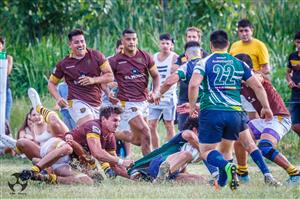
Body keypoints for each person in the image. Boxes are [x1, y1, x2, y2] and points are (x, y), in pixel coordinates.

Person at [188, 30, 279, 190]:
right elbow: (257, 85)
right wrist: (266, 107)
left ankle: (227, 167)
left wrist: (192, 106)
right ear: (228, 44)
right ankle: (264, 175)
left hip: (212, 111)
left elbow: (194, 85)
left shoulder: (204, 62)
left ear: (210, 45)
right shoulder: (239, 63)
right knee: (247, 144)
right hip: (235, 113)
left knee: (206, 151)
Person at [234, 53, 300, 185]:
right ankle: (243, 173)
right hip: (264, 120)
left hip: (280, 118)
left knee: (264, 146)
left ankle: (295, 173)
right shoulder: (240, 87)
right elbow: (252, 115)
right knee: (240, 135)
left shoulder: (256, 76)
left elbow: (258, 79)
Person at [109, 28, 160, 155]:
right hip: (127, 103)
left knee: (140, 140)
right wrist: (107, 92)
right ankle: (150, 167)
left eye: (134, 39)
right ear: (123, 41)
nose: (131, 42)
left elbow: (156, 76)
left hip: (143, 102)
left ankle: (113, 134)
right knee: (146, 130)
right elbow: (105, 78)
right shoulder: (115, 60)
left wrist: (155, 92)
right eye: (128, 39)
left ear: (137, 40)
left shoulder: (145, 56)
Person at [48, 29, 114, 127]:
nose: (80, 44)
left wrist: (93, 80)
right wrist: (58, 98)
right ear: (70, 45)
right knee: (91, 127)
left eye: (82, 41)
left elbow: (110, 76)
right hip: (76, 102)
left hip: (96, 103)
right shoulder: (64, 63)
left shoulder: (96, 56)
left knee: (97, 134)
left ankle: (73, 140)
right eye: (76, 42)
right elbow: (51, 83)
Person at [128, 117, 204, 184]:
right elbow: (189, 135)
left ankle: (163, 180)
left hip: (171, 171)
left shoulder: (191, 146)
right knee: (187, 155)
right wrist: (203, 150)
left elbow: (182, 164)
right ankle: (161, 177)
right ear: (195, 130)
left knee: (200, 179)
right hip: (160, 163)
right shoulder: (186, 133)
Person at [174, 27, 208, 130]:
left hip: (201, 98)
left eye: (194, 36)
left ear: (199, 39)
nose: (191, 38)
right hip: (184, 96)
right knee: (183, 129)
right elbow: (174, 71)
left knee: (202, 129)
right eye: (189, 36)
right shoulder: (182, 57)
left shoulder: (205, 56)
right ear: (186, 38)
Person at [148, 33, 178, 149]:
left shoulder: (175, 57)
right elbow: (150, 76)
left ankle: (170, 150)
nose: (165, 45)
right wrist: (153, 92)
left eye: (167, 43)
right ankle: (156, 151)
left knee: (169, 125)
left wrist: (162, 92)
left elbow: (175, 78)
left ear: (171, 45)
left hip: (168, 96)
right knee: (151, 124)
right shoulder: (154, 57)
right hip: (155, 95)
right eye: (163, 43)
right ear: (159, 44)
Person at [286, 31, 300, 137]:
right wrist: (289, 81)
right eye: (298, 42)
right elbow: (288, 73)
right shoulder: (292, 56)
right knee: (294, 124)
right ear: (295, 42)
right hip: (295, 95)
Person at [0, 37, 13, 123]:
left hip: (6, 90)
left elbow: (7, 73)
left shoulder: (7, 57)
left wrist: (9, 62)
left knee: (5, 119)